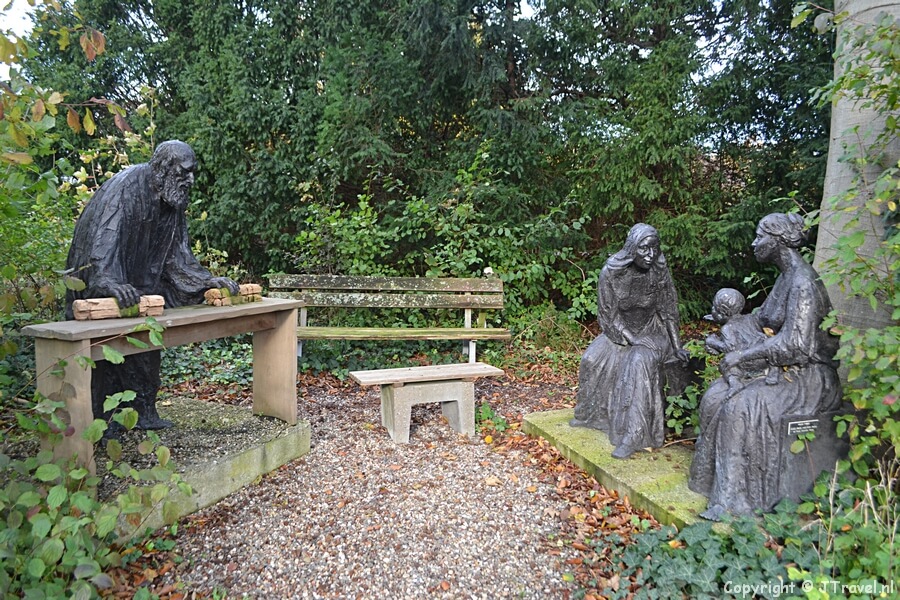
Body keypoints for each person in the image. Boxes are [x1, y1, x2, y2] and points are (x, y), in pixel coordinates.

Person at [65, 140, 239, 433]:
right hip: (99, 287)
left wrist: (204, 282)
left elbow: (178, 257)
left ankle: (142, 412)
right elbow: (103, 239)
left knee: (146, 352)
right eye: (184, 173)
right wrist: (108, 279)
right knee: (104, 358)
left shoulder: (172, 202)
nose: (190, 180)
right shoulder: (126, 188)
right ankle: (102, 423)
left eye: (192, 173)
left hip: (140, 290)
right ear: (163, 170)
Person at [688, 213, 842, 521]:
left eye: (760, 236)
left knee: (742, 407)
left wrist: (743, 358)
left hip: (809, 377)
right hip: (783, 369)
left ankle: (736, 500)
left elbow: (796, 345)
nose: (755, 243)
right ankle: (711, 483)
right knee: (717, 395)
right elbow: (761, 319)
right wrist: (725, 335)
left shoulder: (802, 283)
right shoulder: (785, 277)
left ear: (779, 241)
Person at [570, 223, 689, 459]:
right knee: (592, 359)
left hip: (653, 330)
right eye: (644, 249)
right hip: (621, 331)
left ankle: (634, 434)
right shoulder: (611, 273)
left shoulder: (659, 271)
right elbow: (608, 316)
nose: (650, 255)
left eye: (654, 248)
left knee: (638, 362)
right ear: (632, 248)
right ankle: (591, 416)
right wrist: (633, 339)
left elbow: (668, 311)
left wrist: (676, 346)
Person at [703, 288, 775, 392]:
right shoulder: (749, 318)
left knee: (726, 364)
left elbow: (730, 348)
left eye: (714, 307)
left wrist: (712, 342)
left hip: (749, 360)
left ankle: (735, 383)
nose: (712, 309)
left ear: (722, 312)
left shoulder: (727, 328)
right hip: (764, 355)